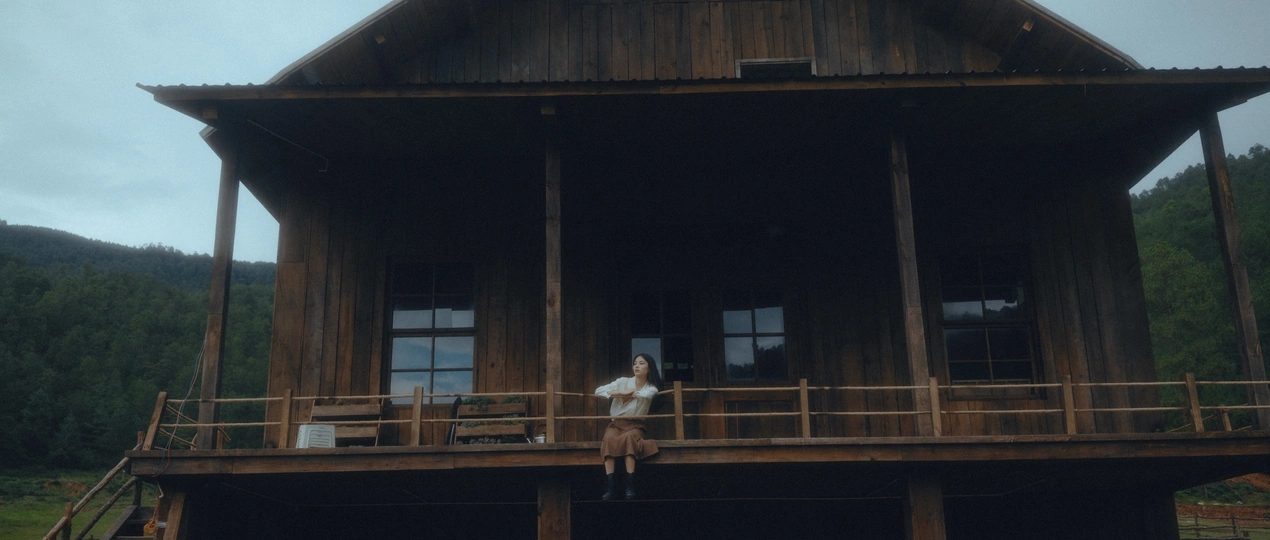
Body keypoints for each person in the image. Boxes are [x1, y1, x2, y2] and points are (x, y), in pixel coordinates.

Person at [594, 353, 662, 500]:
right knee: (609, 438)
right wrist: (620, 392)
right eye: (635, 363)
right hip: (616, 424)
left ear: (649, 368)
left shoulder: (651, 387)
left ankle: (630, 485)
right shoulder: (623, 382)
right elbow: (598, 391)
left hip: (635, 425)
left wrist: (629, 394)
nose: (637, 366)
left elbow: (647, 395)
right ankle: (610, 486)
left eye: (641, 363)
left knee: (630, 438)